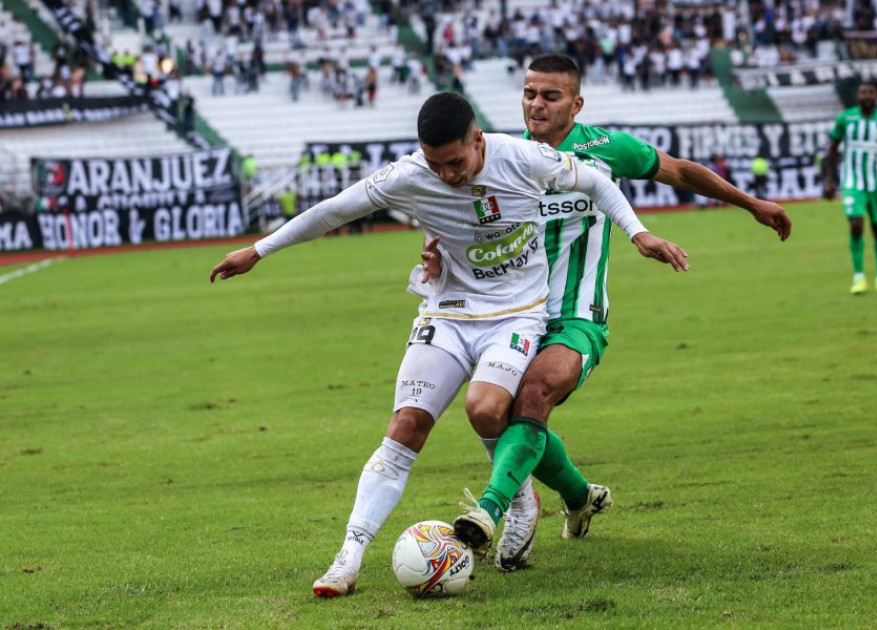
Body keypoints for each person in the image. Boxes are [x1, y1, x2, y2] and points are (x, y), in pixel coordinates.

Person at [209, 92, 689, 598]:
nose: (448, 176)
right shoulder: (410, 174)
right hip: (447, 313)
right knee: (405, 426)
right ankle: (346, 559)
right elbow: (333, 211)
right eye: (436, 165)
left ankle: (520, 500)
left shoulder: (522, 157)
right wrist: (259, 250)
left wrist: (638, 233)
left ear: (476, 140)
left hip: (517, 316)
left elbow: (594, 180)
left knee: (485, 410)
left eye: (456, 162)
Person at [419, 54, 790, 569]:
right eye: (529, 93)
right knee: (502, 414)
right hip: (506, 315)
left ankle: (493, 511)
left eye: (550, 95)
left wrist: (751, 203)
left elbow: (679, 169)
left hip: (578, 313)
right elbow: (457, 227)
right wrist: (436, 257)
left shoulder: (603, 149)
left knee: (534, 395)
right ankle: (579, 497)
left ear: (576, 102)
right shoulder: (497, 155)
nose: (537, 104)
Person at [824, 82, 877, 295]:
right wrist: (830, 179)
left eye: (870, 92)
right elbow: (832, 148)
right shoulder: (846, 118)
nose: (866, 95)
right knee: (856, 225)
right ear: (858, 96)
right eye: (862, 92)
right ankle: (859, 277)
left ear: (876, 96)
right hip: (852, 182)